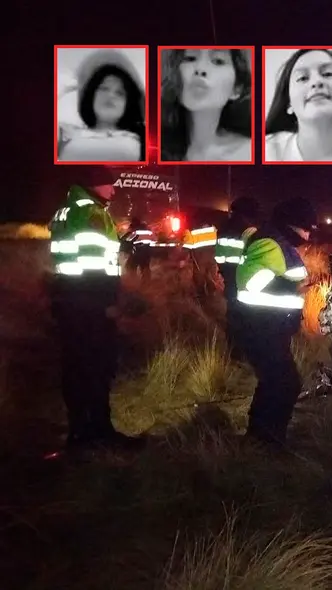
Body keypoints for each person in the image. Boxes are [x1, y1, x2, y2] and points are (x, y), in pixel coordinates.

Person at [48, 174, 145, 452]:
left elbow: (80, 255)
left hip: (70, 301)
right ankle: (97, 434)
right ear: (94, 184)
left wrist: (120, 246)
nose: (114, 189)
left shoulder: (66, 209)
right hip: (89, 307)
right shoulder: (91, 212)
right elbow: (92, 267)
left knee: (76, 368)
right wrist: (107, 305)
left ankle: (82, 433)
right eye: (109, 183)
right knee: (96, 367)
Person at [235, 197, 316, 447]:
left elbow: (280, 278)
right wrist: (290, 287)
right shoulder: (271, 244)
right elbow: (249, 285)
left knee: (273, 381)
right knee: (287, 383)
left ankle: (258, 436)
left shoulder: (278, 243)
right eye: (307, 227)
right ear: (292, 224)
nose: (309, 233)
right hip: (261, 328)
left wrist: (293, 287)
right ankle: (270, 440)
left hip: (269, 327)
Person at [264, 49, 332, 162]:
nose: (317, 81)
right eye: (303, 78)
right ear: (289, 103)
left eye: (327, 74)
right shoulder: (264, 152)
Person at [159, 48, 253, 162]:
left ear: (237, 88)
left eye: (218, 61)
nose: (200, 69)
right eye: (190, 58)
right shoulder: (150, 146)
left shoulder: (251, 153)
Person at [57, 48, 146, 162]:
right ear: (92, 96)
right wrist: (64, 89)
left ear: (127, 105)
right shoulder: (66, 134)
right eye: (104, 88)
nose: (111, 95)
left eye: (120, 93)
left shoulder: (143, 140)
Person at [216, 197, 260, 358]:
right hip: (244, 281)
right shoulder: (248, 230)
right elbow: (254, 258)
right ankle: (244, 354)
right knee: (248, 318)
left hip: (228, 277)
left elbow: (221, 256)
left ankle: (233, 354)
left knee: (233, 315)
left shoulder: (223, 228)